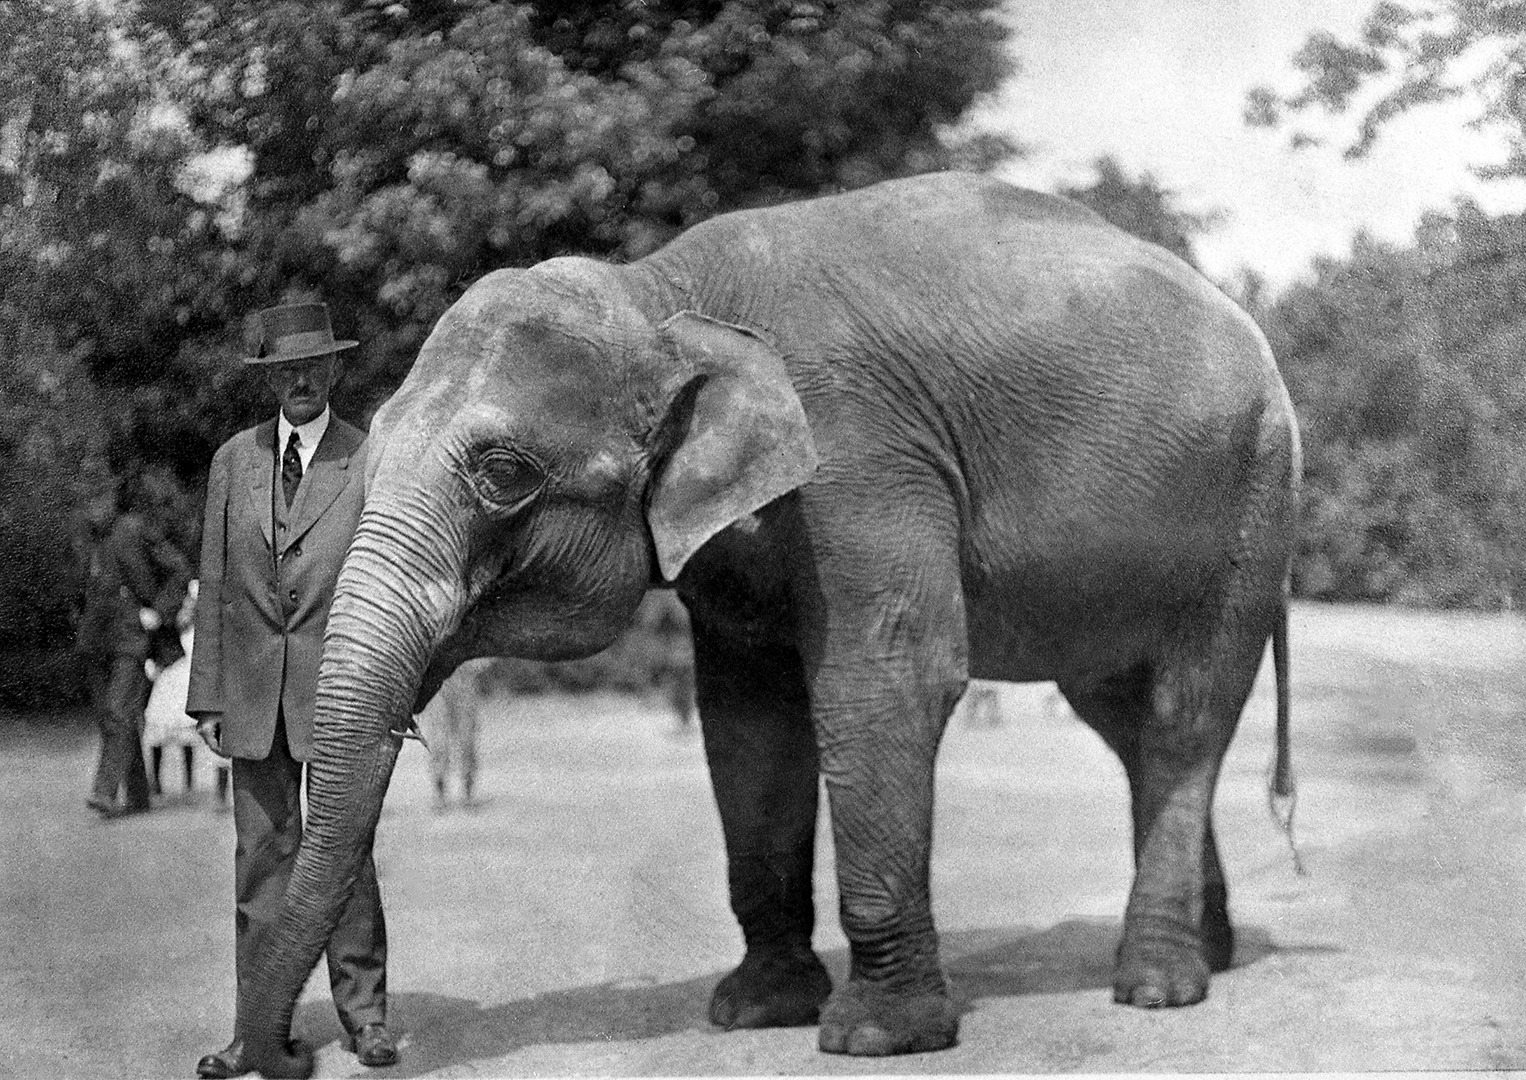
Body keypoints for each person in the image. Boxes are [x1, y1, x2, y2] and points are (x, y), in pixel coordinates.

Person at [187, 302, 397, 1078]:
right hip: (249, 694)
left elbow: (389, 587)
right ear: (269, 378)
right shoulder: (231, 462)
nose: (300, 379)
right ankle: (258, 1034)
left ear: (335, 370)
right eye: (285, 369)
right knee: (262, 862)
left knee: (346, 857)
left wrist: (391, 688)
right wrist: (207, 693)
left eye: (313, 365)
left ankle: (367, 1018)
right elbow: (214, 583)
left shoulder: (369, 458)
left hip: (344, 693)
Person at [84, 470, 192, 820]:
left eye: (98, 498)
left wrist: (159, 613)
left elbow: (179, 569)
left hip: (133, 636)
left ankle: (103, 791)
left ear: (111, 499)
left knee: (118, 710)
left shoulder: (133, 529)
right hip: (97, 638)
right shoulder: (88, 539)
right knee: (113, 716)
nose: (93, 507)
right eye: (88, 500)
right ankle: (139, 795)